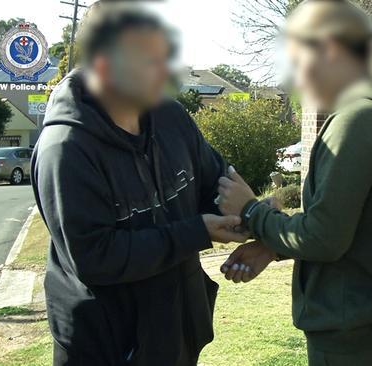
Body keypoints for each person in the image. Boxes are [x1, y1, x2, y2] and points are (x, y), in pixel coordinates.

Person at [216, 0, 372, 364]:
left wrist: (252, 210)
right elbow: (356, 227)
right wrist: (273, 246)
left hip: (357, 340)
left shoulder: (357, 121)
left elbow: (323, 238)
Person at [31, 4, 247, 365]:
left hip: (175, 334)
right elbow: (95, 257)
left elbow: (216, 184)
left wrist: (253, 215)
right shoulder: (66, 150)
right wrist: (196, 232)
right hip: (108, 347)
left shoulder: (170, 118)